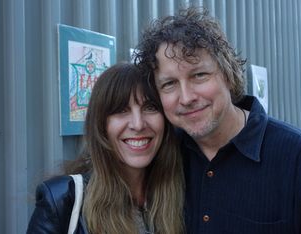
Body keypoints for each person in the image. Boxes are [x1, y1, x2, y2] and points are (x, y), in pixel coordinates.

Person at [134, 7, 301, 234]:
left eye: (199, 75)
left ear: (227, 73)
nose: (186, 98)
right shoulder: (161, 154)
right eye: (169, 84)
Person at [27, 63, 185, 234]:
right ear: (101, 125)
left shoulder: (183, 193)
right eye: (121, 110)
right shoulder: (62, 200)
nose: (138, 124)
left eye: (150, 108)